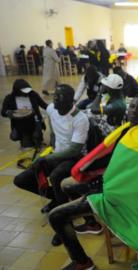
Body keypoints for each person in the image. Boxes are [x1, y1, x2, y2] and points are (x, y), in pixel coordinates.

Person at [49, 94, 138, 270]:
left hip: (114, 196)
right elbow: (108, 159)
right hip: (104, 183)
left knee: (55, 216)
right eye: (132, 106)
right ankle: (92, 223)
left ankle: (83, 263)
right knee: (65, 185)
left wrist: (106, 186)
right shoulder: (126, 129)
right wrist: (87, 172)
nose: (134, 111)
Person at [13, 84, 89, 246]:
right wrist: (50, 149)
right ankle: (55, 198)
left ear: (70, 101)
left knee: (56, 176)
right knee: (21, 180)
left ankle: (63, 226)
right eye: (54, 97)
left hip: (74, 157)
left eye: (59, 97)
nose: (54, 100)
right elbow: (52, 127)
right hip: (56, 154)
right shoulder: (52, 109)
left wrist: (48, 158)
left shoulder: (80, 118)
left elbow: (75, 149)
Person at [1, 79, 48, 148]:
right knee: (26, 145)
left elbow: (44, 105)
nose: (26, 93)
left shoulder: (33, 94)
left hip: (35, 121)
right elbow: (3, 112)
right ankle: (23, 137)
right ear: (17, 91)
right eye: (24, 92)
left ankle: (37, 135)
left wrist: (53, 109)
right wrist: (8, 113)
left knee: (37, 138)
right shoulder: (9, 98)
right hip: (20, 123)